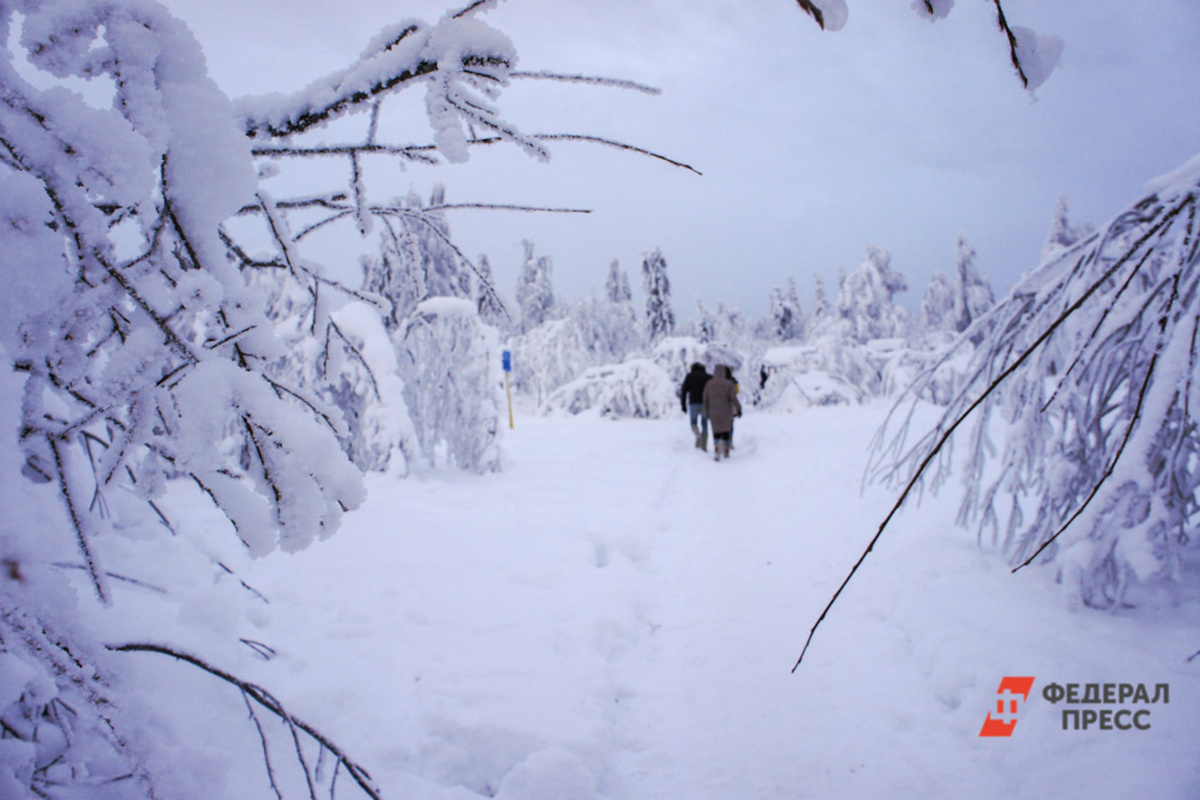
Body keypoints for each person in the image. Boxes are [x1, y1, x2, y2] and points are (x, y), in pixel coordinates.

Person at [703, 364, 741, 461]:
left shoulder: (709, 384)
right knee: (725, 430)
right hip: (726, 411)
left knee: (716, 431)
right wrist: (739, 408)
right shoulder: (728, 384)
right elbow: (733, 398)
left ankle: (717, 448)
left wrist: (706, 410)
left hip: (713, 412)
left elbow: (705, 398)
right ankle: (726, 450)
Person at [680, 362, 711, 450]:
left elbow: (684, 391)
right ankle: (704, 446)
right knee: (704, 423)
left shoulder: (689, 376)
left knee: (693, 423)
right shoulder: (708, 377)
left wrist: (683, 405)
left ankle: (697, 435)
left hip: (693, 403)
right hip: (705, 403)